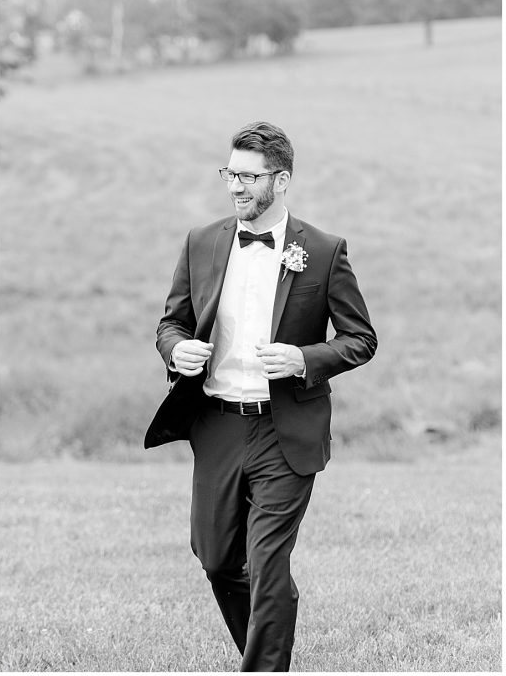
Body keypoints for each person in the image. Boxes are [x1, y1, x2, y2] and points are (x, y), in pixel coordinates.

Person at [144, 121, 376, 671]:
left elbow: (360, 339)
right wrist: (177, 352)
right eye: (230, 174)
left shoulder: (321, 251)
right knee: (217, 559)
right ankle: (274, 621)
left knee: (267, 563)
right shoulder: (201, 243)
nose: (235, 186)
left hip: (285, 429)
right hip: (217, 423)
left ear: (282, 180)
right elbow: (169, 324)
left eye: (249, 177)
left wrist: (305, 359)